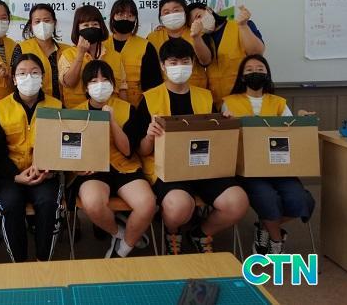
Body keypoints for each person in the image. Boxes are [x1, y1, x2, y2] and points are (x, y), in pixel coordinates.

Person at [135, 38, 249, 255]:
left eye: (185, 61)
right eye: (173, 62)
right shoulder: (149, 99)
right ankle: (172, 232)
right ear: (163, 66)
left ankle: (201, 233)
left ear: (193, 63)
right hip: (167, 170)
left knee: (237, 201)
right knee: (179, 206)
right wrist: (149, 136)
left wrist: (224, 123)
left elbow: (215, 139)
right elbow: (142, 151)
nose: (179, 67)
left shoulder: (205, 96)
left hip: (204, 166)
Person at [222, 54, 315, 255]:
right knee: (268, 198)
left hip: (279, 166)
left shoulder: (279, 103)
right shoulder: (229, 103)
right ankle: (276, 239)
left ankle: (264, 227)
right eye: (249, 70)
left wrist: (301, 120)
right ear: (242, 76)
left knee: (301, 200)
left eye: (260, 69)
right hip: (248, 169)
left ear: (267, 74)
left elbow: (292, 133)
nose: (255, 73)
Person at [73, 60, 155, 258]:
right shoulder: (75, 113)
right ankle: (118, 232)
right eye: (94, 81)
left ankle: (122, 250)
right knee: (92, 204)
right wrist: (76, 168)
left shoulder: (127, 109)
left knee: (147, 203)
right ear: (85, 87)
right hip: (93, 170)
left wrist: (112, 121)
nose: (100, 85)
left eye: (105, 80)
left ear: (113, 84)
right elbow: (70, 151)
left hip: (124, 167)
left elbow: (127, 151)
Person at [0, 54, 63, 262]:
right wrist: (15, 176)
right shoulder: (0, 108)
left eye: (34, 72)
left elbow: (62, 144)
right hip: (9, 176)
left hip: (45, 174)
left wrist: (47, 169)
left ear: (42, 77)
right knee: (11, 205)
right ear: (14, 79)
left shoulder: (57, 106)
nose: (28, 77)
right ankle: (19, 264)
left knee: (48, 204)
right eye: (22, 73)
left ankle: (42, 262)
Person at [187, 2, 264, 109]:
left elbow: (256, 53)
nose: (199, 22)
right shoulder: (201, 39)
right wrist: (197, 37)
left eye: (199, 16)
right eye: (194, 22)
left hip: (245, 99)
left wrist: (243, 26)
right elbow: (205, 61)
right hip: (217, 103)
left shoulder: (240, 25)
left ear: (208, 10)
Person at [59, 5, 127, 108]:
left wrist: (127, 111)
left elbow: (122, 88)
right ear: (77, 29)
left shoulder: (115, 56)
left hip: (110, 112)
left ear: (101, 27)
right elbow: (69, 83)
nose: (90, 28)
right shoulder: (67, 55)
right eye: (85, 25)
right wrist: (80, 54)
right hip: (77, 113)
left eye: (95, 24)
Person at [105, 0, 162, 107]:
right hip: (105, 107)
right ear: (112, 17)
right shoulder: (102, 45)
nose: (125, 18)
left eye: (130, 15)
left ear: (135, 20)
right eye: (120, 14)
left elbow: (152, 86)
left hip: (137, 108)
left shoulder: (146, 47)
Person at [146, 0, 212, 88]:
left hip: (196, 88)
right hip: (165, 90)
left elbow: (206, 61)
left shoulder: (198, 32)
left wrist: (196, 37)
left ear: (185, 12)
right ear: (161, 17)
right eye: (166, 12)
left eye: (176, 10)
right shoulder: (153, 37)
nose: (172, 15)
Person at [11, 3, 69, 101]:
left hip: (62, 106)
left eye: (47, 20)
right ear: (31, 25)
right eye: (37, 21)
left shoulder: (67, 50)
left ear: (54, 23)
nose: (42, 25)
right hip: (33, 105)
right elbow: (14, 81)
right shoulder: (21, 48)